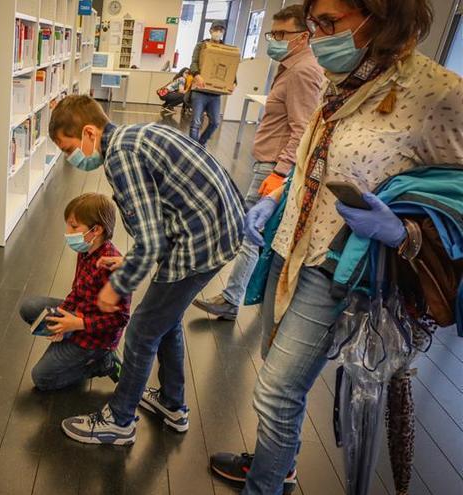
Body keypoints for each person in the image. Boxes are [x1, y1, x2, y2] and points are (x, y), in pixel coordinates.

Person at [209, 0, 463, 493]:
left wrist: (403, 231)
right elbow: (319, 158)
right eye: (314, 22)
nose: (318, 34)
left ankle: (267, 484)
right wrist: (280, 195)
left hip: (339, 268)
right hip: (290, 247)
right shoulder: (343, 78)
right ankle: (276, 461)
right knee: (277, 376)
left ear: (382, 16)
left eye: (330, 23)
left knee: (277, 390)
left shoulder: (438, 93)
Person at [48, 95, 244, 445]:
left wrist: (117, 284)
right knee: (163, 320)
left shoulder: (121, 157)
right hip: (216, 230)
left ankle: (120, 421)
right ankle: (172, 402)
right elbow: (165, 210)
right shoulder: (135, 136)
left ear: (90, 133)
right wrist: (133, 260)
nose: (70, 158)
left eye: (68, 148)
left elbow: (151, 239)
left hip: (200, 243)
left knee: (141, 330)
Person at [194, 5, 324, 320]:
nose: (275, 40)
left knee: (249, 231)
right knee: (258, 232)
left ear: (303, 36)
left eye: (282, 34)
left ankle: (232, 298)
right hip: (270, 164)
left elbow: (302, 128)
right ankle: (247, 297)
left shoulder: (303, 71)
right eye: (272, 33)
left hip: (274, 167)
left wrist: (279, 173)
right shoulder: (291, 66)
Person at [18, 193, 130, 391]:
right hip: (79, 316)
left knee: (42, 378)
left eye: (74, 226)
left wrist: (77, 323)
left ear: (96, 230)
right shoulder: (86, 251)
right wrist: (62, 315)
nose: (67, 232)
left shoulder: (113, 267)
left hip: (96, 338)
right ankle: (69, 337)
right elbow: (77, 291)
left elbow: (120, 319)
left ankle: (104, 362)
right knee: (29, 307)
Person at [189, 21, 237, 145]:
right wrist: (197, 75)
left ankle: (201, 144)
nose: (218, 32)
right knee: (196, 122)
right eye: (216, 29)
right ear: (210, 30)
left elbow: (231, 68)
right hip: (200, 90)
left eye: (221, 30)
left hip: (215, 93)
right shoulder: (201, 46)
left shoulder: (227, 50)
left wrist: (234, 83)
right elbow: (194, 62)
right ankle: (193, 150)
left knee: (215, 122)